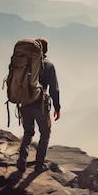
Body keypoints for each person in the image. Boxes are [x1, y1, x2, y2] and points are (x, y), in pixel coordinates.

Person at [17, 37, 61, 173]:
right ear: (46, 50)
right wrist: (57, 108)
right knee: (45, 133)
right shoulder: (48, 65)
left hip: (24, 104)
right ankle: (39, 165)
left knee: (28, 132)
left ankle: (21, 160)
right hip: (40, 106)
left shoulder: (25, 64)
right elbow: (54, 89)